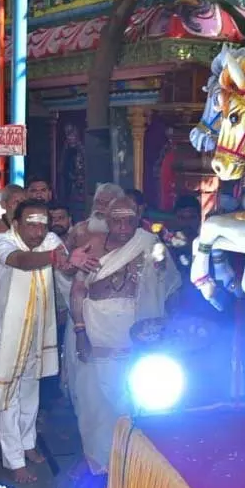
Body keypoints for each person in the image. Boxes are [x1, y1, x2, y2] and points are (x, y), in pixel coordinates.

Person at [69, 195, 181, 474]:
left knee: (132, 394)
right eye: (116, 220)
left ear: (137, 220)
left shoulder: (148, 244)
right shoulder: (92, 244)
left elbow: (167, 283)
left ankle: (132, 461)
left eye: (128, 221)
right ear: (107, 220)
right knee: (93, 396)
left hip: (133, 328)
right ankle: (99, 460)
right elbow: (77, 290)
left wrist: (158, 264)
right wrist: (80, 331)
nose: (122, 227)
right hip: (95, 326)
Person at [0, 200, 95, 483]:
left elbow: (66, 268)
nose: (37, 231)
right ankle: (13, 459)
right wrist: (55, 258)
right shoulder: (2, 242)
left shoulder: (51, 240)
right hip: (6, 331)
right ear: (16, 223)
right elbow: (21, 261)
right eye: (30, 224)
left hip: (36, 328)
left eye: (41, 224)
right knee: (9, 395)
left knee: (31, 389)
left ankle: (27, 443)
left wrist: (71, 262)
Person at [68, 183, 123, 248]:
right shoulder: (78, 230)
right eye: (98, 202)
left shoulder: (124, 233)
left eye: (106, 204)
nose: (100, 208)